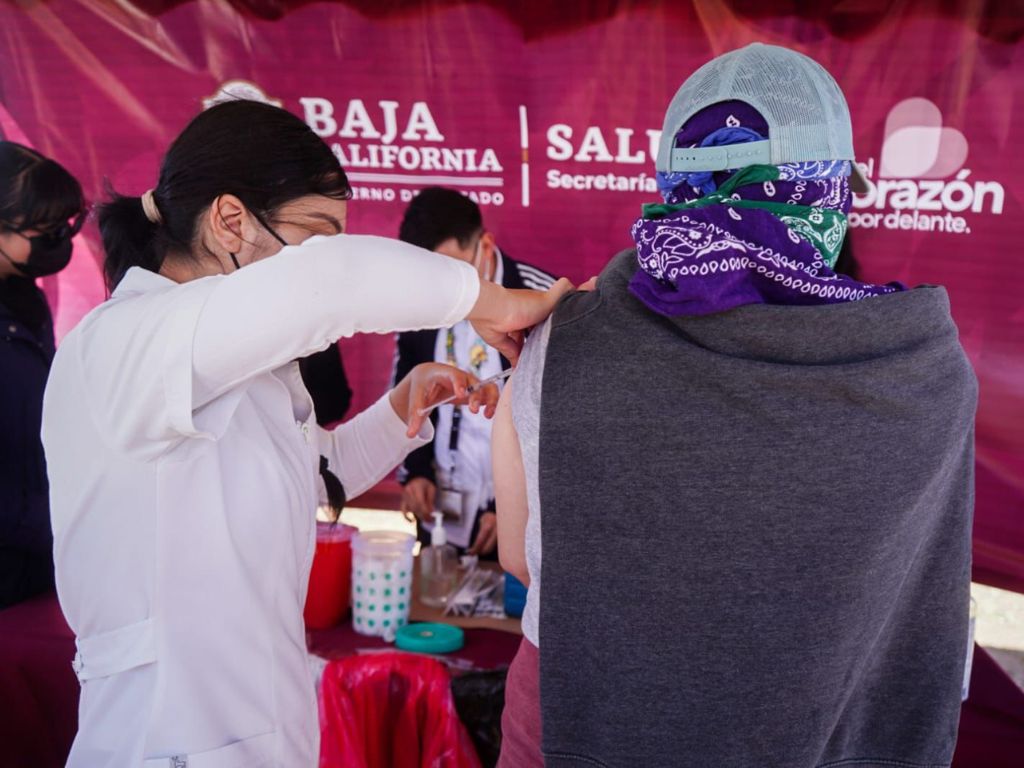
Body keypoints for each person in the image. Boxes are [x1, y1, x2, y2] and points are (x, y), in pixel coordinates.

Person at [40, 100, 572, 768]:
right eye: (315, 235)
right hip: (165, 740)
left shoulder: (238, 368)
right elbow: (330, 282)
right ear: (231, 221)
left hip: (263, 730)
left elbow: (317, 476)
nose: (322, 257)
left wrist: (400, 409)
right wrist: (488, 299)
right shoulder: (123, 344)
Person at [493, 43, 977, 767]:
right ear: (829, 195)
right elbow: (918, 617)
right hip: (825, 731)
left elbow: (520, 559)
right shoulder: (921, 367)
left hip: (580, 717)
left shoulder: (561, 339)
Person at [393, 187, 555, 557]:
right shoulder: (417, 299)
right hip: (440, 515)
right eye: (427, 274)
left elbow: (558, 422)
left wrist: (515, 508)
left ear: (485, 245)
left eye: (451, 270)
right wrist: (415, 472)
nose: (439, 287)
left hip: (516, 523)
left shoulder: (537, 297)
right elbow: (406, 386)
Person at [0, 141, 85, 609]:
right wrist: (63, 528)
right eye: (45, 228)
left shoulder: (24, 297)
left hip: (41, 563)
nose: (59, 238)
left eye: (65, 225)